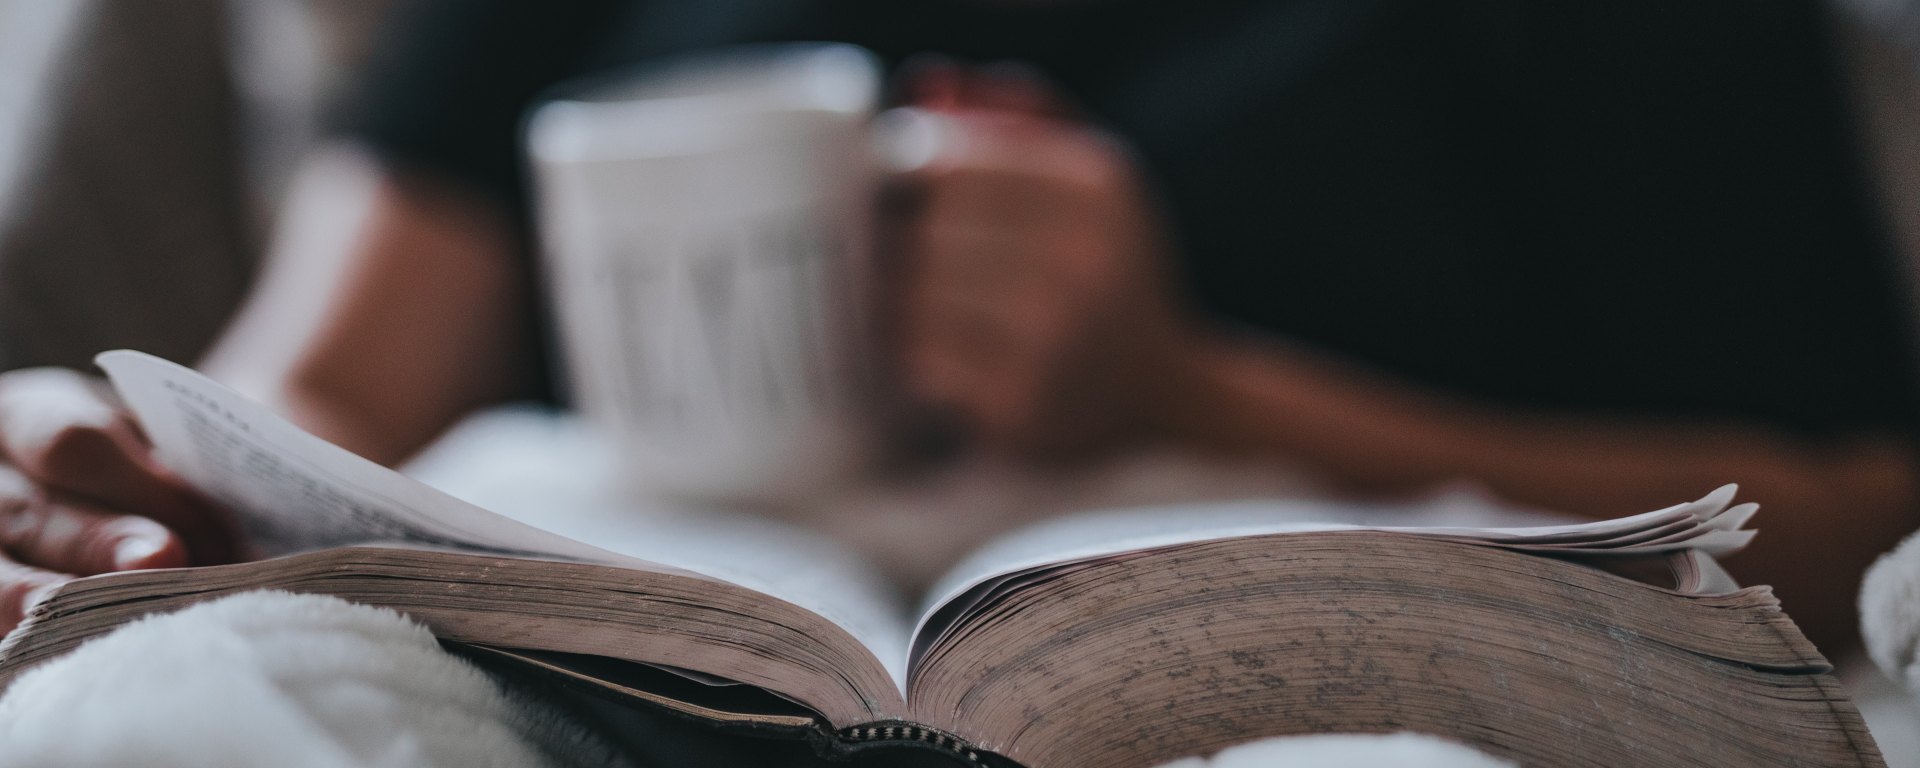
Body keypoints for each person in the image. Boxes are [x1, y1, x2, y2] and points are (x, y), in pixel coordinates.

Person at [0, 0, 1915, 658]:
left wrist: (1184, 388)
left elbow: (1850, 518)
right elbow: (310, 385)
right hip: (613, 670)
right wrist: (87, 463)